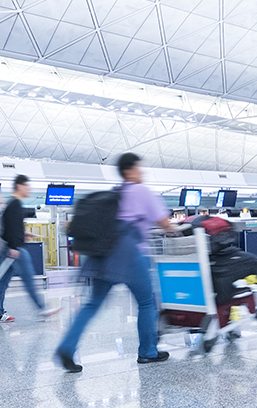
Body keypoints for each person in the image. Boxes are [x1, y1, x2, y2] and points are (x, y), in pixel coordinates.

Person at [55, 153, 176, 372]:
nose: (142, 173)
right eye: (139, 169)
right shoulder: (141, 191)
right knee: (147, 302)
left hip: (103, 253)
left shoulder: (114, 194)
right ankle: (148, 351)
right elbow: (165, 223)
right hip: (129, 252)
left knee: (92, 304)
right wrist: (172, 230)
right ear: (129, 171)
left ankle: (66, 346)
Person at [0, 175, 60, 323]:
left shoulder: (11, 204)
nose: (29, 189)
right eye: (27, 186)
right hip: (16, 250)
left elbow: (10, 228)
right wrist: (15, 246)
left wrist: (23, 235)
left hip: (8, 248)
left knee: (2, 282)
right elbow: (10, 229)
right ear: (19, 186)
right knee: (29, 280)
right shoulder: (15, 204)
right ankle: (43, 308)